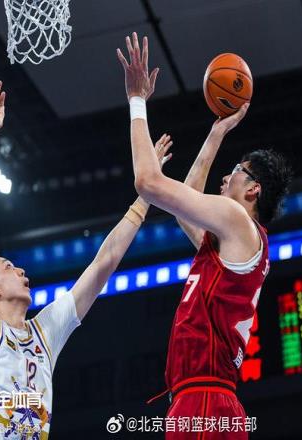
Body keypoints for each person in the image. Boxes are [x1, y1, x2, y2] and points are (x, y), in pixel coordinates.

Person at [0, 81, 172, 439]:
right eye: (8, 267)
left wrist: (147, 196)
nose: (20, 269)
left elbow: (104, 262)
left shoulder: (46, 331)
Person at [118, 33, 293, 439]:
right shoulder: (232, 242)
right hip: (203, 401)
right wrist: (217, 133)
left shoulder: (237, 220)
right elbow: (187, 203)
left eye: (237, 172)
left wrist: (136, 100)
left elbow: (148, 182)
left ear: (253, 190)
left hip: (205, 400)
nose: (226, 177)